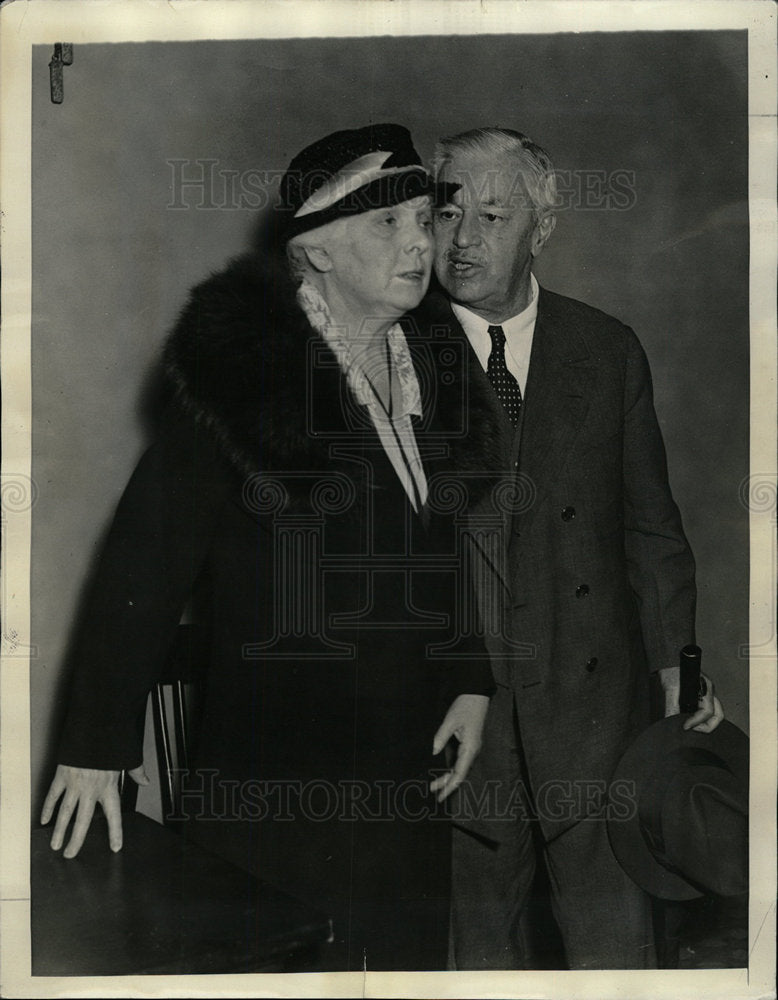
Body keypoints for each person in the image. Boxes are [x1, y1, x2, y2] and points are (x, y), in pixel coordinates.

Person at [39, 123, 496, 971]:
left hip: (404, 766)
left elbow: (434, 536)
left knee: (405, 967)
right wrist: (95, 751)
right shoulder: (242, 382)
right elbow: (140, 567)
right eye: (386, 226)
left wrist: (469, 675)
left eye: (422, 222)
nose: (418, 245)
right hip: (277, 781)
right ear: (314, 252)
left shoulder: (432, 364)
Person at [408, 127, 725, 969]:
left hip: (596, 713)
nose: (464, 238)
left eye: (494, 214)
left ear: (541, 230)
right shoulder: (399, 356)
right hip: (459, 717)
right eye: (449, 210)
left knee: (614, 950)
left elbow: (651, 528)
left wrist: (679, 673)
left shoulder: (608, 350)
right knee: (473, 957)